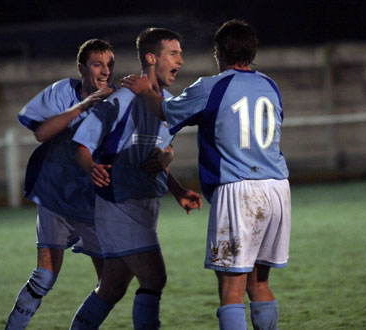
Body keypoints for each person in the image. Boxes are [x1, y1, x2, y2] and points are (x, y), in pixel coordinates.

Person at [122, 19, 291, 330]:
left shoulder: (212, 87)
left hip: (240, 190)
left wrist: (146, 91)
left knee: (231, 289)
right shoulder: (270, 85)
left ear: (219, 52)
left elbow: (165, 111)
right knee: (259, 283)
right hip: (278, 188)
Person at [5, 39, 174, 329]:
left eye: (110, 64)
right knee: (45, 276)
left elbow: (152, 140)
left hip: (95, 204)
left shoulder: (120, 99)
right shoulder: (63, 91)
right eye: (98, 64)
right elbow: (41, 132)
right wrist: (83, 106)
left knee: (111, 285)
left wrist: (166, 156)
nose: (105, 71)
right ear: (82, 68)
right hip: (56, 196)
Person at [69, 28, 203, 330]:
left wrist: (177, 188)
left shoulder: (167, 102)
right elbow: (80, 145)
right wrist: (91, 167)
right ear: (151, 58)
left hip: (145, 201)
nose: (180, 60)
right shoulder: (121, 98)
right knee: (155, 277)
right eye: (173, 53)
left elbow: (154, 156)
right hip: (119, 202)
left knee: (112, 287)